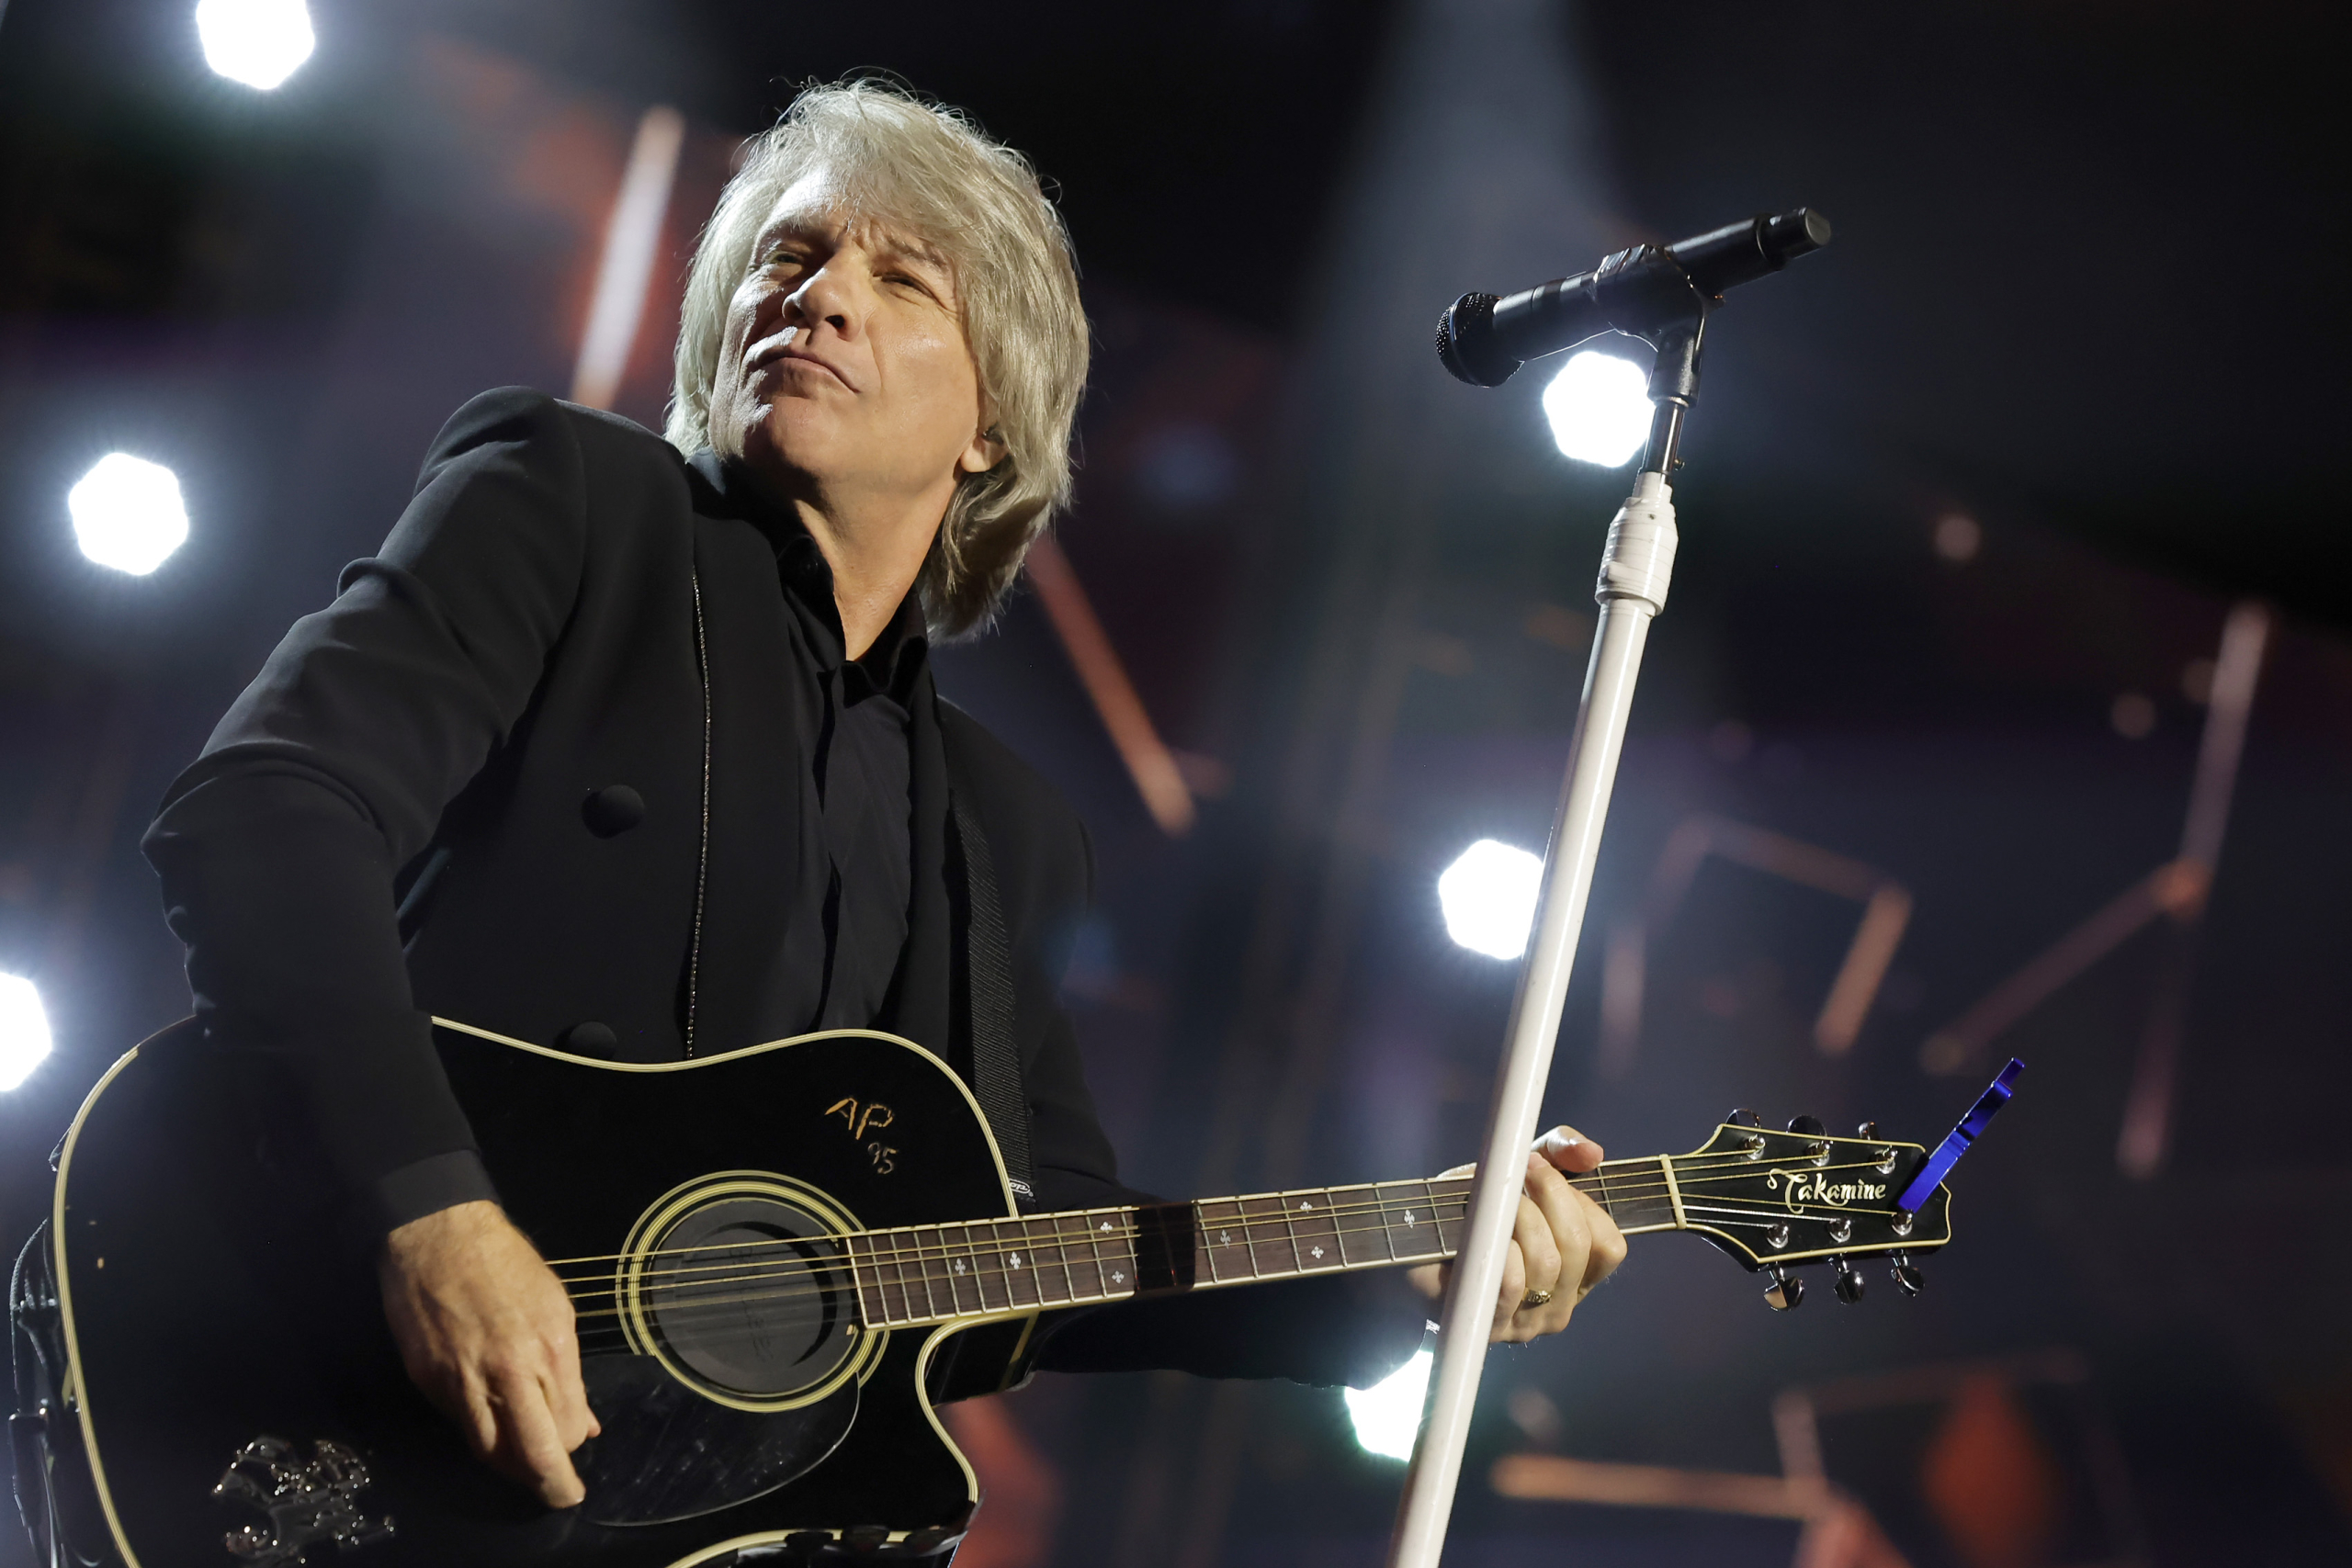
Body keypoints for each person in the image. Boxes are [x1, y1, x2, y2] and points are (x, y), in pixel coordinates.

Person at [141, 79, 1625, 1515]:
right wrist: (436, 1214)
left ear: (994, 426)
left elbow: (1040, 1268)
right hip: (300, 1379)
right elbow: (267, 811)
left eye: (903, 280)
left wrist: (1412, 1265)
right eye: (790, 256)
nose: (824, 293)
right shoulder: (572, 502)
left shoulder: (1007, 834)